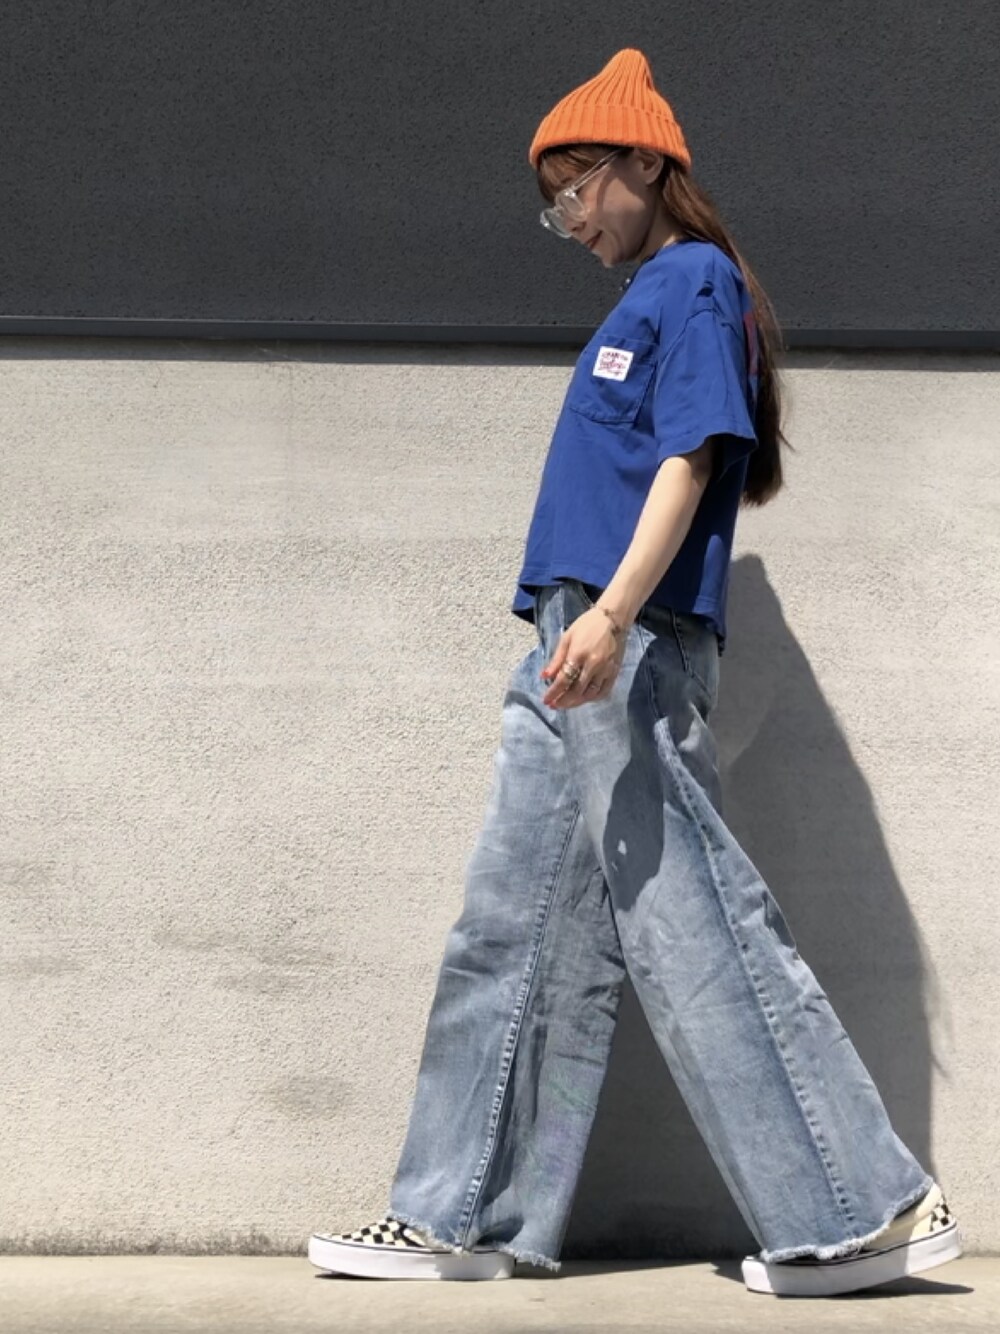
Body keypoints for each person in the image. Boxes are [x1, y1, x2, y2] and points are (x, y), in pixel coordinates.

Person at [307, 48, 962, 1296]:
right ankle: (463, 1213)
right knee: (508, 934)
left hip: (626, 638)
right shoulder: (643, 300)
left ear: (646, 165)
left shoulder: (694, 280)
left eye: (577, 190)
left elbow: (691, 458)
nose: (569, 221)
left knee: (691, 923)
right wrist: (578, 623)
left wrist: (611, 616)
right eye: (552, 203)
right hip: (569, 643)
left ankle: (865, 1203)